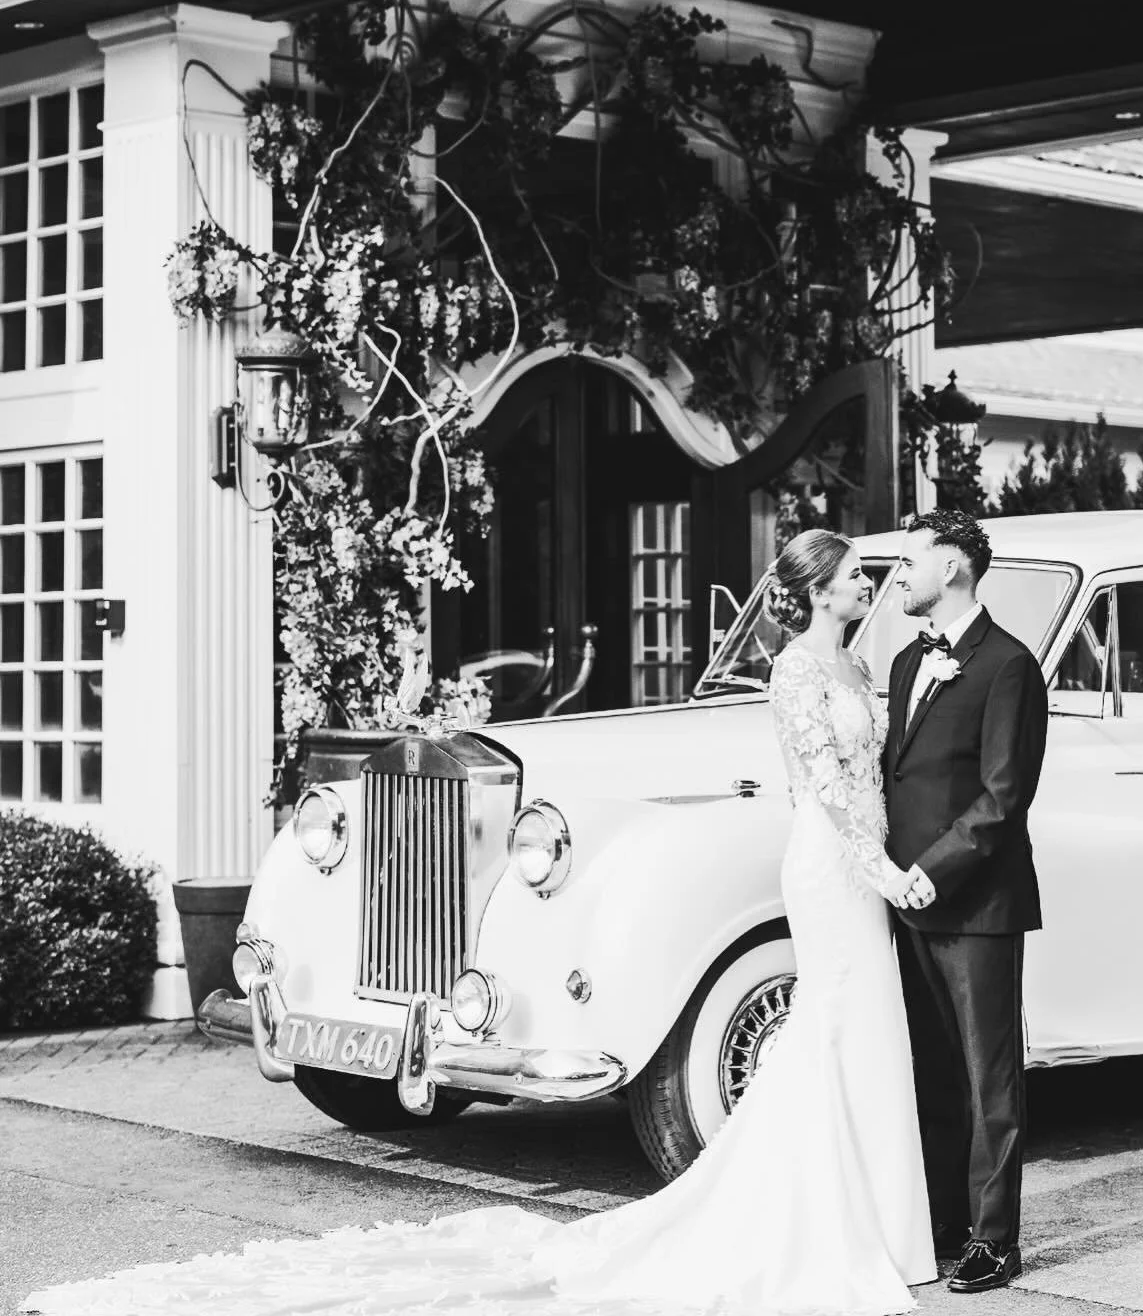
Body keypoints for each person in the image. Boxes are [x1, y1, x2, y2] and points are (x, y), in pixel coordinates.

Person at [25, 529, 937, 1316]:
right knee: (837, 1029)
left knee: (850, 1033)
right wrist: (881, 864)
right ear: (818, 590)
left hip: (851, 866)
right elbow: (824, 781)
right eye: (858, 575)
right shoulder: (794, 671)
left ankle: (869, 1210)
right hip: (841, 862)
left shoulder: (862, 664)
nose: (873, 586)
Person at [883, 509, 1049, 1296]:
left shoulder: (1007, 664)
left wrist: (935, 868)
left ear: (952, 567)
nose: (899, 574)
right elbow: (898, 777)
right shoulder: (906, 661)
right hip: (905, 901)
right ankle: (944, 1220)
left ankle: (994, 1241)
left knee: (990, 1079)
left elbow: (1003, 795)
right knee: (933, 1072)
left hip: (977, 903)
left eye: (912, 559)